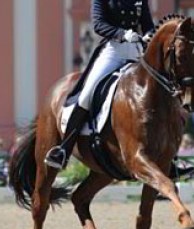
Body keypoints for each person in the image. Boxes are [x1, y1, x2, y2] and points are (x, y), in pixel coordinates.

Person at [45, 0, 155, 170]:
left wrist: (149, 34)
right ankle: (64, 148)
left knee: (160, 89)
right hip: (113, 52)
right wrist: (122, 34)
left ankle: (170, 157)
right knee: (86, 94)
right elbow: (99, 25)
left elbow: (147, 23)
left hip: (136, 51)